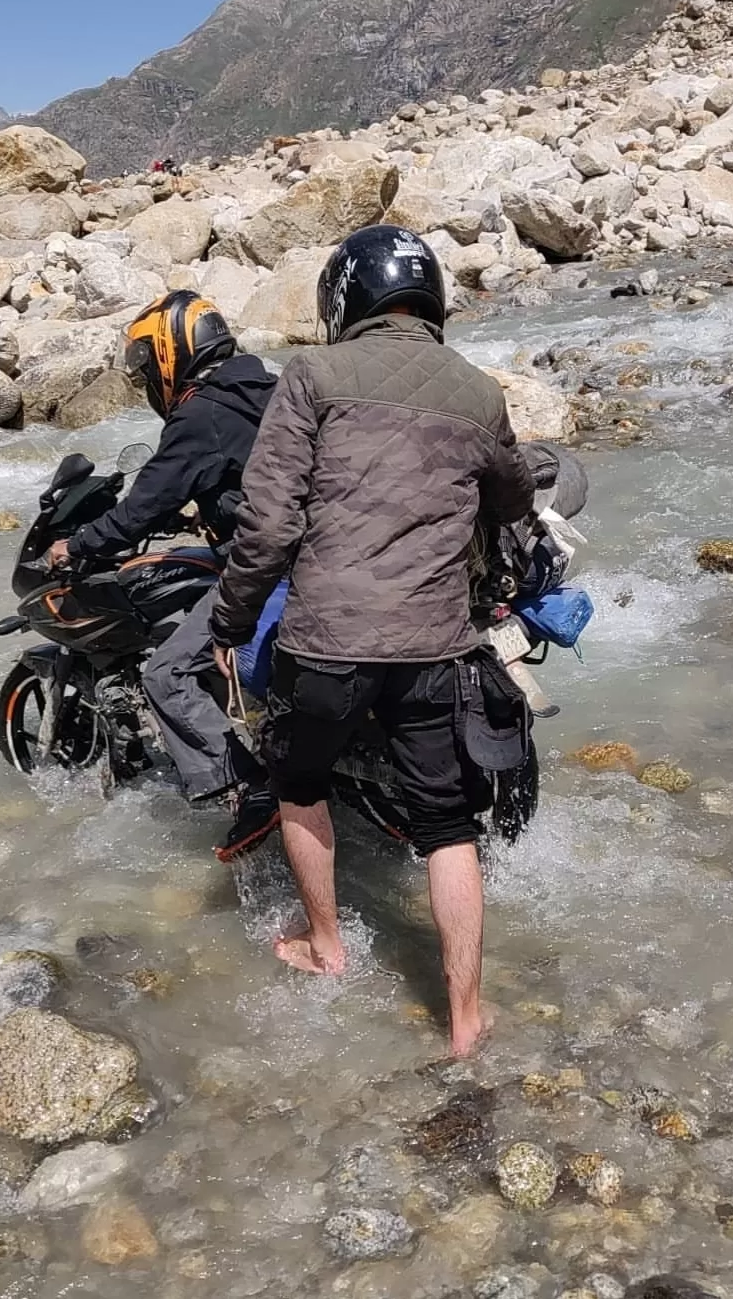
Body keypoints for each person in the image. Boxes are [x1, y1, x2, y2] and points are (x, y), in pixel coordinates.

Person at [208, 225, 536, 1055]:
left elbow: (269, 520)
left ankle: (325, 945)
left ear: (343, 299)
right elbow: (511, 501)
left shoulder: (312, 375)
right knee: (447, 825)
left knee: (299, 785)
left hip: (326, 645)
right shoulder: (475, 390)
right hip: (434, 649)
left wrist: (231, 620)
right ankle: (466, 1016)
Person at [43, 291, 281, 860]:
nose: (148, 377)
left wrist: (76, 543)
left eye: (149, 364)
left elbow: (139, 509)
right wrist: (212, 505)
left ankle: (250, 786)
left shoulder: (202, 413)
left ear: (175, 354)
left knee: (166, 673)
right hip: (318, 553)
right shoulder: (265, 389)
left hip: (264, 567)